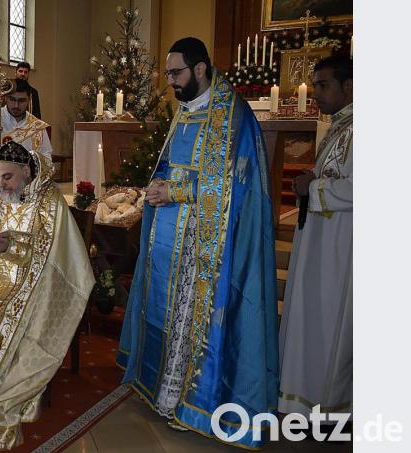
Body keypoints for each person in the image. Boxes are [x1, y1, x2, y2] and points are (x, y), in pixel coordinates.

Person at [116, 37, 279, 449]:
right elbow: (173, 164)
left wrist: (177, 192)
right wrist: (158, 187)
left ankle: (193, 401)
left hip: (208, 242)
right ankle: (163, 391)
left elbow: (234, 186)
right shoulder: (186, 111)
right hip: (171, 235)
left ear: (202, 68)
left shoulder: (233, 116)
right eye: (168, 73)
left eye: (176, 73)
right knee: (166, 312)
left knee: (194, 316)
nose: (170, 81)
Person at [0, 142, 94, 450]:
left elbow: (48, 255)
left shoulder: (49, 202)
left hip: (35, 285)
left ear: (26, 173)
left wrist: (9, 248)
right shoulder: (6, 196)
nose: (0, 185)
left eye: (7, 178)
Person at [278, 55, 353, 419]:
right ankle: (303, 401)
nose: (316, 93)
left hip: (341, 249)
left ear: (349, 87)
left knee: (329, 324)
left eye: (324, 85)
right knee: (312, 320)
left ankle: (328, 409)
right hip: (321, 242)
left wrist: (315, 185)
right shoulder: (340, 126)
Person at [0, 78, 52, 159]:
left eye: (22, 101)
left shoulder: (37, 127)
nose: (16, 105)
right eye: (12, 99)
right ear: (5, 97)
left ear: (29, 99)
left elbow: (46, 159)